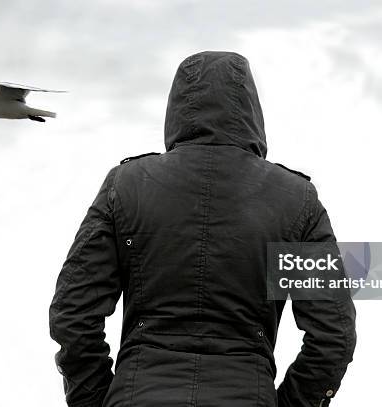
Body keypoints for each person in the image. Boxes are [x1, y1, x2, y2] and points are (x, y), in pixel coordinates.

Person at [49, 51, 356, 407]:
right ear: (251, 109)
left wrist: (98, 400)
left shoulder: (126, 185)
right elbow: (333, 334)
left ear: (176, 107)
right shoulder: (296, 200)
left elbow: (73, 313)